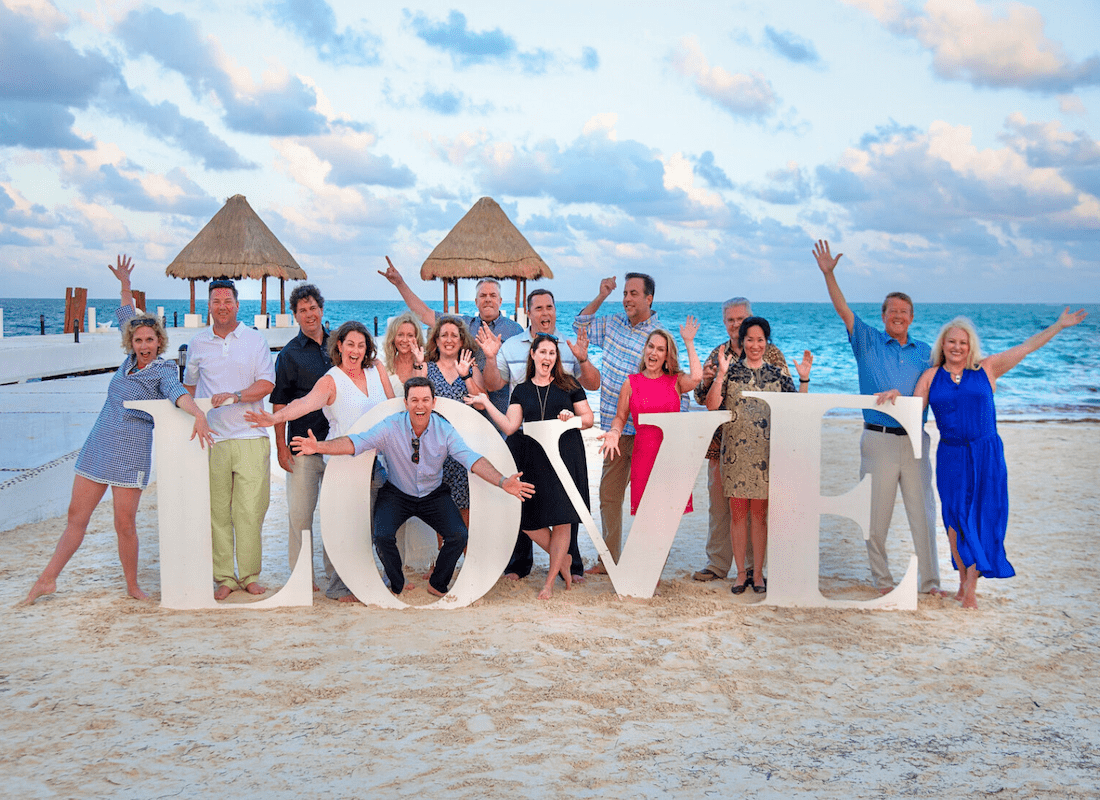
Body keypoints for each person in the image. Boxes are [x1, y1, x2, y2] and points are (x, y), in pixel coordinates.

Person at [22, 256, 213, 605]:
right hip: (98, 446)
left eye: (150, 340)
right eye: (139, 340)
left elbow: (177, 393)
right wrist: (124, 284)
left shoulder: (163, 370)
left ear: (160, 342)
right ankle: (47, 579)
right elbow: (128, 310)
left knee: (124, 524)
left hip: (130, 454)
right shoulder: (127, 361)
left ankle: (132, 585)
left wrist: (198, 414)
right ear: (132, 342)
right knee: (75, 518)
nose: (144, 345)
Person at [904, 309, 1086, 609]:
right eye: (951, 342)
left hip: (986, 453)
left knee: (983, 516)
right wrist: (892, 395)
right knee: (954, 518)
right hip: (951, 454)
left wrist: (1058, 325)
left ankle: (971, 587)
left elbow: (1026, 347)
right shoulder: (930, 376)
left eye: (963, 342)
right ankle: (962, 579)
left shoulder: (987, 368)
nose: (957, 347)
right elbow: (912, 413)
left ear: (970, 345)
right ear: (943, 344)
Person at [290, 377, 535, 596]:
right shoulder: (390, 427)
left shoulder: (445, 430)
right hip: (397, 492)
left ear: (433, 402)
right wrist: (319, 447)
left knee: (459, 534)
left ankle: (438, 583)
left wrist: (504, 482)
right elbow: (356, 443)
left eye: (425, 400)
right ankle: (396, 583)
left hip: (433, 494)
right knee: (382, 535)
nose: (420, 405)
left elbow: (472, 459)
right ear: (406, 403)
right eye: (414, 400)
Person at [815, 239, 944, 597]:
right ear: (884, 315)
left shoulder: (927, 353)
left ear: (912, 317)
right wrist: (829, 274)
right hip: (879, 439)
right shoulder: (868, 341)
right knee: (875, 519)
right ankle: (883, 583)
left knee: (924, 516)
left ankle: (931, 585)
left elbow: (945, 389)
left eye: (904, 312)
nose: (898, 316)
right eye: (892, 311)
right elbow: (843, 310)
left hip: (916, 440)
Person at [246, 321, 395, 602]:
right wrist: (274, 418)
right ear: (339, 346)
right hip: (343, 463)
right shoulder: (331, 380)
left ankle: (365, 580)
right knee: (347, 527)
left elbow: (392, 407)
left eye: (361, 345)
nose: (356, 350)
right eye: (350, 344)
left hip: (375, 463)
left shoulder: (377, 370)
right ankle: (340, 587)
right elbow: (303, 404)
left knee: (371, 527)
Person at [479, 287, 601, 582]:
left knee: (564, 504)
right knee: (524, 504)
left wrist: (583, 360)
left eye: (550, 307)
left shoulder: (568, 349)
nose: (545, 313)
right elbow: (494, 385)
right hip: (524, 438)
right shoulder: (511, 346)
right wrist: (491, 359)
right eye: (539, 308)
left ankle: (569, 566)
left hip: (562, 441)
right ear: (529, 312)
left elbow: (591, 388)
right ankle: (520, 565)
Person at [184, 278, 276, 601]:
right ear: (207, 306)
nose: (222, 306)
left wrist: (237, 397)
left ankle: (249, 574)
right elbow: (190, 389)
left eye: (227, 300)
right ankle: (224, 577)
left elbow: (266, 383)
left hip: (251, 433)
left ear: (238, 304)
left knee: (250, 510)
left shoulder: (254, 340)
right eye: (216, 301)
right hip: (213, 439)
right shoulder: (197, 344)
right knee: (218, 511)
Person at [573, 273, 671, 574]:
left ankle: (649, 557)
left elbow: (672, 381)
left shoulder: (658, 336)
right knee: (609, 495)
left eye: (633, 293)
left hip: (646, 432)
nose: (627, 298)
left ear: (648, 298)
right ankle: (609, 559)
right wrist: (602, 294)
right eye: (625, 293)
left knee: (649, 498)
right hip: (616, 430)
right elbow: (580, 325)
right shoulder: (613, 322)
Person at [706, 317, 812, 595]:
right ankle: (740, 573)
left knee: (760, 515)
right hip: (735, 454)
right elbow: (712, 405)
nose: (755, 345)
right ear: (742, 342)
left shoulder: (777, 374)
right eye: (749, 339)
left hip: (766, 455)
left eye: (760, 339)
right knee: (738, 514)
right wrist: (720, 374)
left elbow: (797, 410)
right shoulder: (730, 372)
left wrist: (803, 379)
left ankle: (758, 574)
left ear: (767, 343)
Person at [692, 298, 789, 583]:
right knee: (721, 507)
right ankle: (718, 564)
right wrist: (709, 379)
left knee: (756, 510)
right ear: (725, 323)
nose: (735, 325)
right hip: (721, 444)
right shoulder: (717, 353)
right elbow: (701, 397)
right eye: (730, 320)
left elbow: (787, 395)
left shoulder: (771, 354)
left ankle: (751, 569)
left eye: (740, 319)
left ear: (750, 319)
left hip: (761, 446)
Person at [378, 258, 523, 414]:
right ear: (476, 301)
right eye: (483, 295)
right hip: (467, 406)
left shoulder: (514, 330)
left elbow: (522, 372)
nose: (488, 299)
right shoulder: (465, 324)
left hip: (501, 407)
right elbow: (426, 314)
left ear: (500, 301)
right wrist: (400, 283)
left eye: (493, 295)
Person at [601, 321, 702, 518]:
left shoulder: (676, 380)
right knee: (647, 518)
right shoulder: (631, 383)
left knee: (669, 518)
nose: (653, 353)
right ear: (645, 349)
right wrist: (614, 432)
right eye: (651, 346)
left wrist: (689, 342)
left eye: (660, 349)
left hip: (671, 453)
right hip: (644, 454)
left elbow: (697, 377)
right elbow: (620, 418)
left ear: (666, 355)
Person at [269, 283, 331, 593]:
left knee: (335, 515)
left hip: (337, 447)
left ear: (322, 309)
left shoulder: (341, 345)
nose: (308, 314)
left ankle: (336, 576)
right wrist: (281, 448)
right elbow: (279, 403)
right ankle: (302, 578)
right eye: (302, 310)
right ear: (295, 315)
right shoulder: (289, 355)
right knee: (300, 517)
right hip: (301, 448)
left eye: (312, 308)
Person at [424, 315, 486, 531]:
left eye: (454, 335)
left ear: (461, 341)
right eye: (444, 335)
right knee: (436, 505)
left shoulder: (471, 367)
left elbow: (480, 404)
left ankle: (466, 558)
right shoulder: (427, 368)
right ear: (436, 340)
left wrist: (466, 375)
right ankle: (442, 561)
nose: (449, 340)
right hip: (433, 448)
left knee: (465, 506)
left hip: (462, 447)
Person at [381, 311, 426, 389]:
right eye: (400, 335)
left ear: (417, 339)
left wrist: (418, 364)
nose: (405, 340)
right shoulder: (385, 366)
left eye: (410, 335)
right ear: (393, 338)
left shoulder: (425, 365)